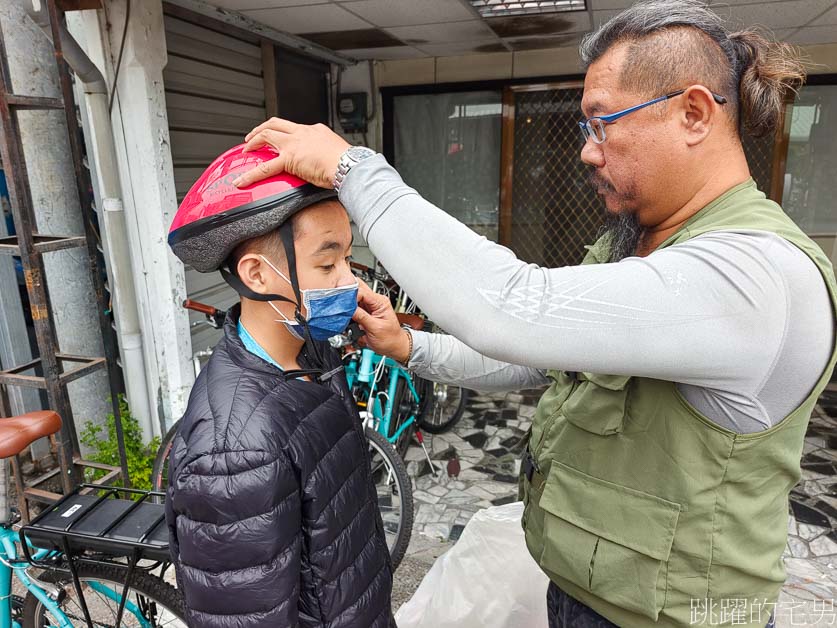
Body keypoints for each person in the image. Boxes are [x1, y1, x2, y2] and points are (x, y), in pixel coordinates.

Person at [232, 1, 837, 626]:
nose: (588, 153)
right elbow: (542, 359)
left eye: (602, 124)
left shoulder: (756, 276)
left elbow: (516, 307)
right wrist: (410, 347)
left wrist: (352, 169)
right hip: (586, 595)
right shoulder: (649, 240)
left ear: (692, 114)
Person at [164, 144, 394, 628]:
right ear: (256, 274)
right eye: (328, 265)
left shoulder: (311, 349)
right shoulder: (233, 451)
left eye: (349, 260)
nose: (350, 283)